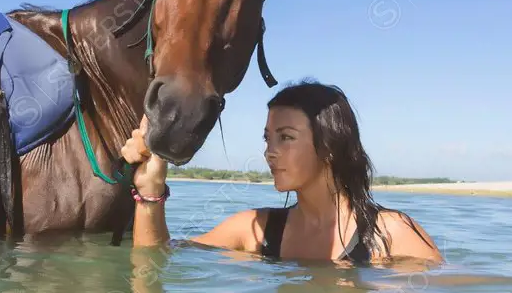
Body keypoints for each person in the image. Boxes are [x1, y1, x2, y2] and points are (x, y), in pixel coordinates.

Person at [120, 80, 443, 265]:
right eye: (268, 138)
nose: (269, 151)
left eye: (286, 137)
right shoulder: (256, 229)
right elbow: (157, 260)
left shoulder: (390, 235)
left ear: (330, 145)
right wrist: (151, 186)